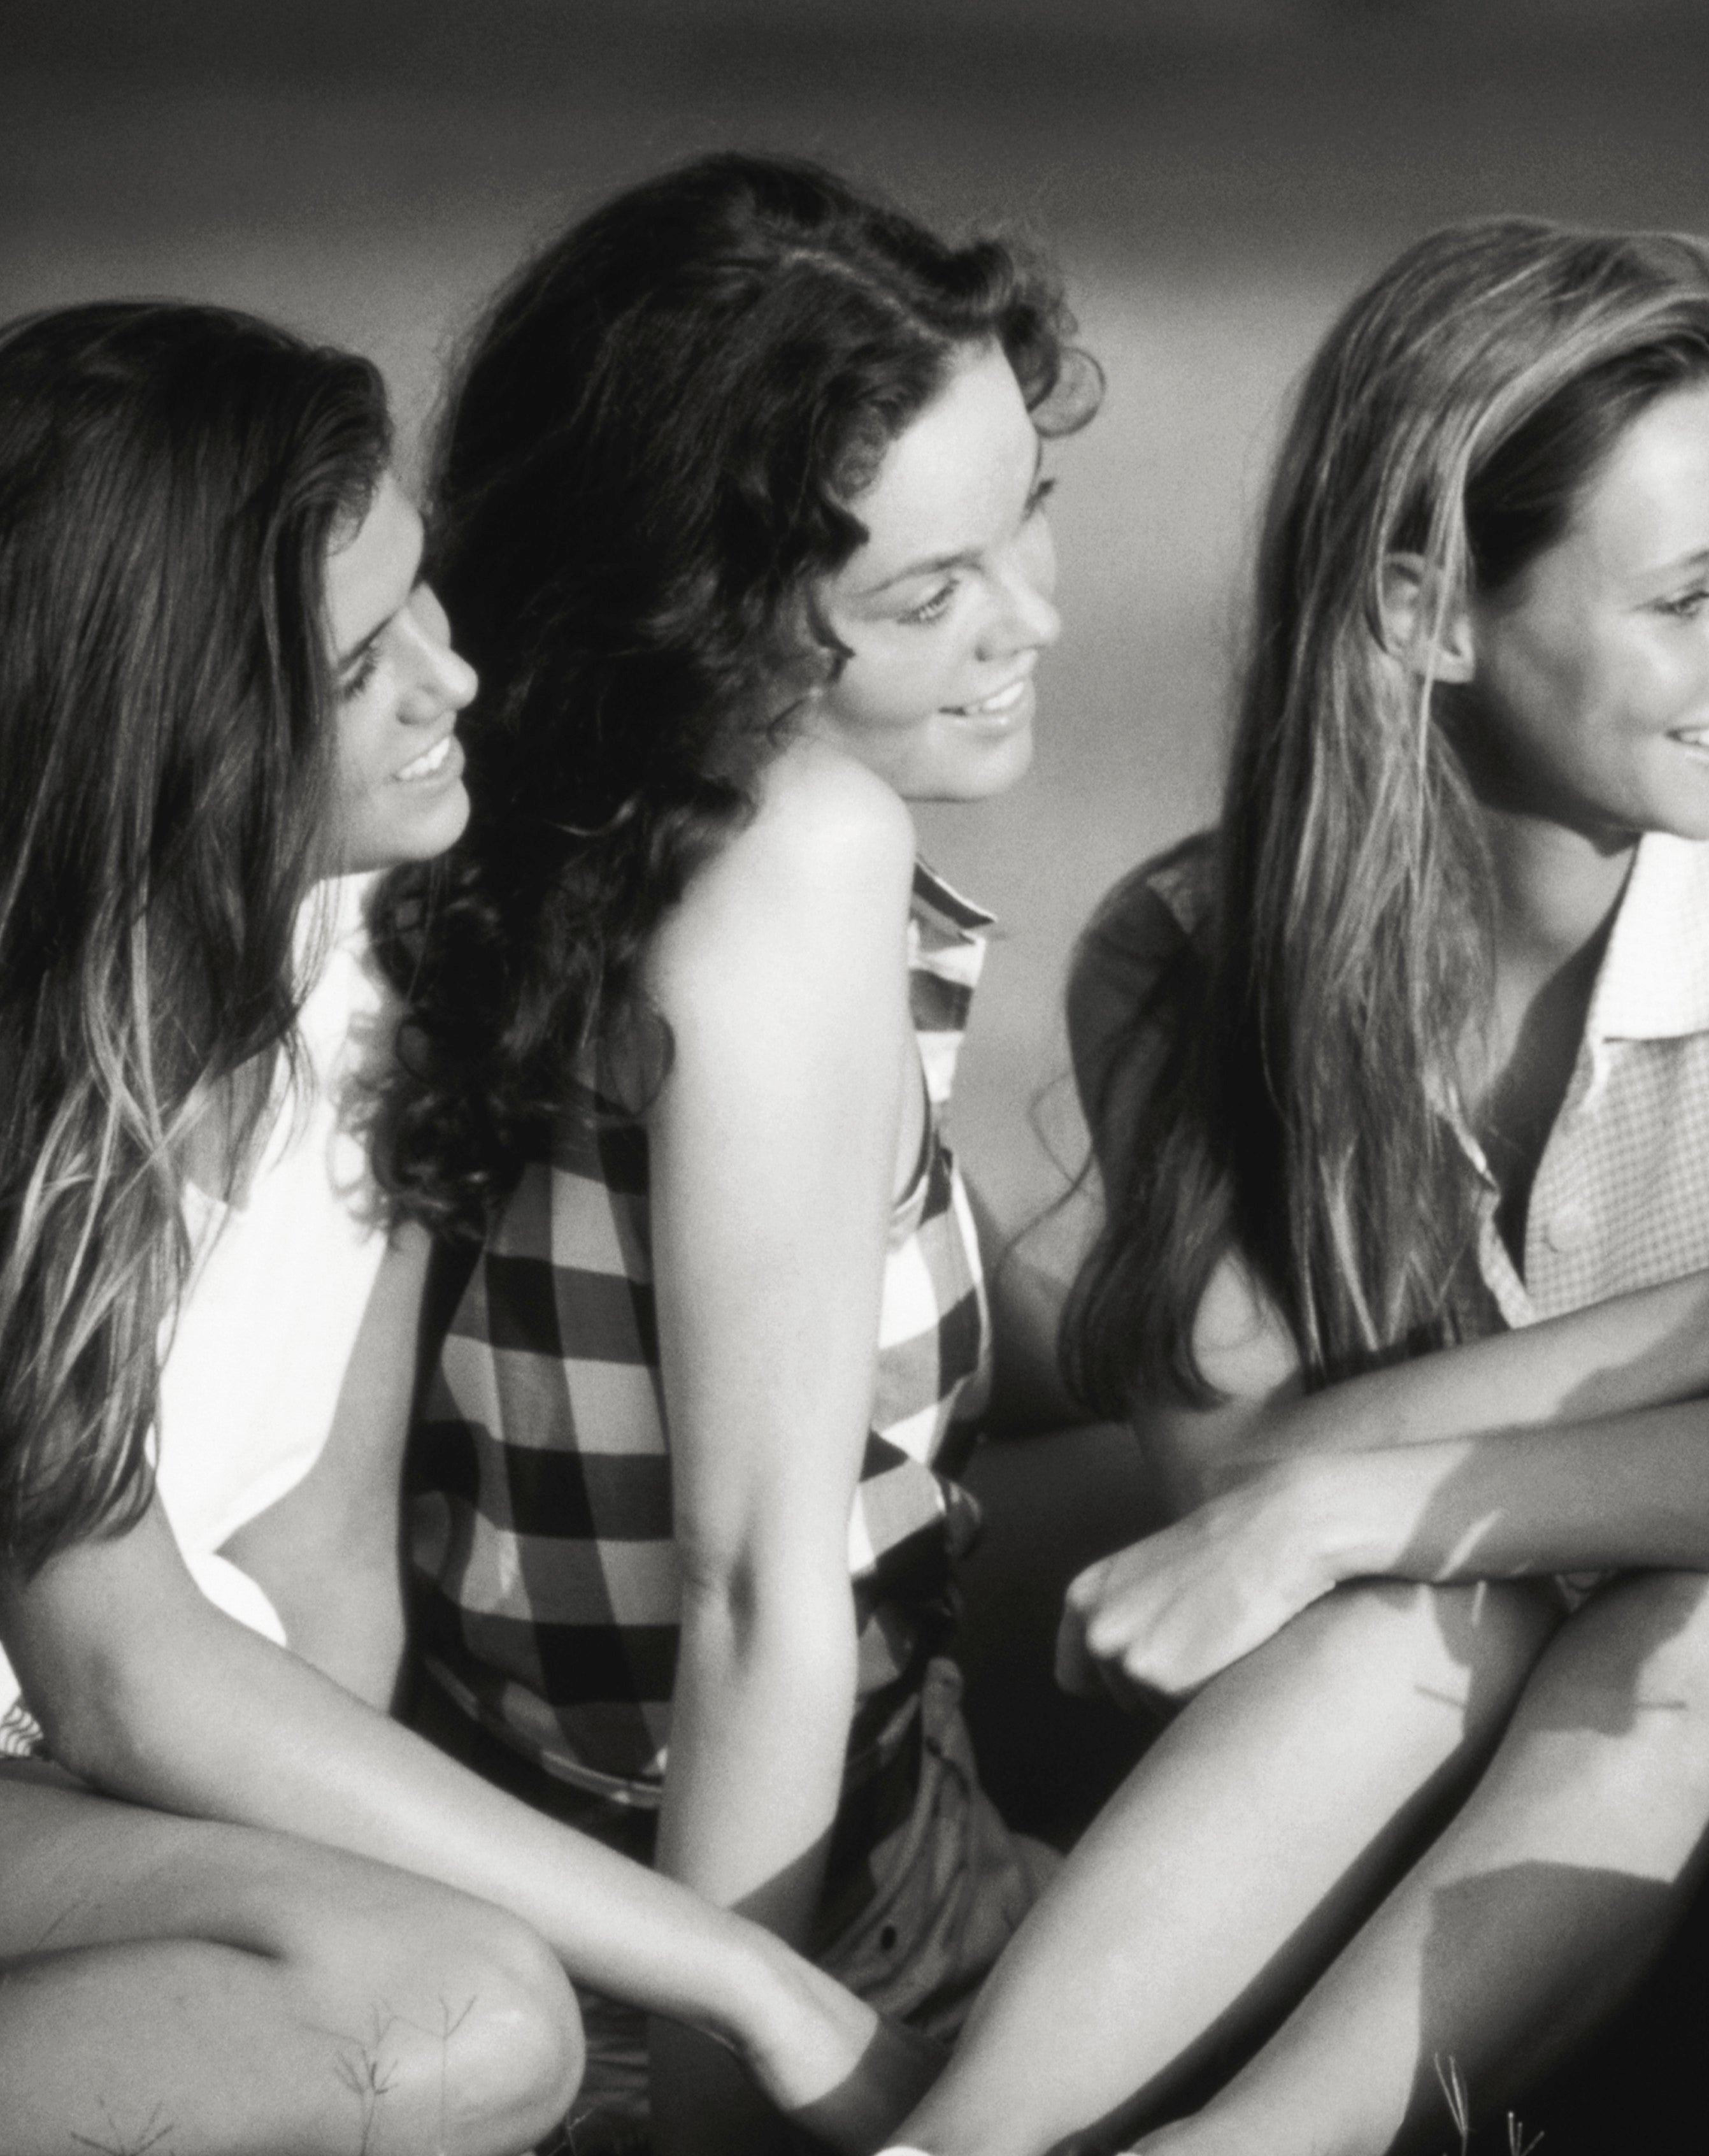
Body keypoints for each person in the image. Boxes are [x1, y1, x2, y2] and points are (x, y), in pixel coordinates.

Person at [882, 217, 1709, 2156]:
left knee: (1677, 1605)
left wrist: (1352, 1499)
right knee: (1432, 1605)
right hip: (1483, 1888)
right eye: (1686, 596)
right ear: (1427, 614)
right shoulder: (1189, 959)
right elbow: (1226, 1486)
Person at [0, 301, 929, 2155]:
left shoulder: (353, 951)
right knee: (462, 2017)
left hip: (65, 1773)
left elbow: (313, 1548)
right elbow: (126, 1666)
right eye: (357, 661)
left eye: (422, 596)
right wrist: (756, 1982)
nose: (450, 679)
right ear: (171, 728)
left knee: (443, 2012)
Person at [369, 152, 1099, 2152]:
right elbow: (761, 1591)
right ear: (706, 611)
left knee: (1265, 1484)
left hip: (510, 1808)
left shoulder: (508, 818)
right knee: (1447, 1640)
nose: (1032, 619)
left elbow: (987, 1353)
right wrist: (723, 2083)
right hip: (794, 1883)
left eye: (1029, 513)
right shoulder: (800, 861)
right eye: (927, 595)